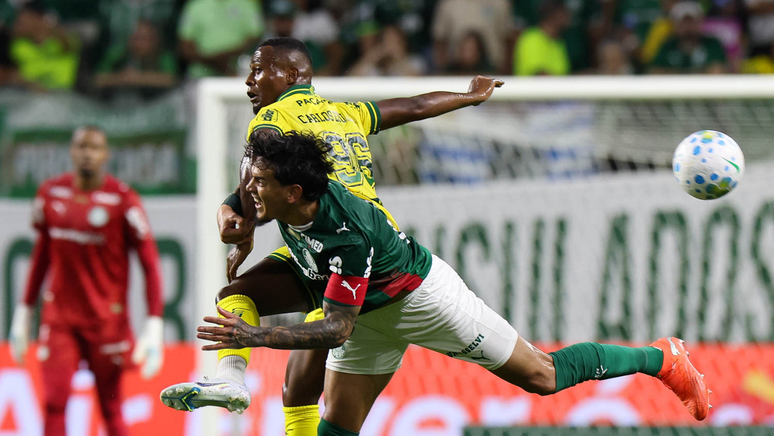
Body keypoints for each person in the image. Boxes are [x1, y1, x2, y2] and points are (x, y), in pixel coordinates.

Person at [197, 131, 711, 436]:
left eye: (259, 185)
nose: (249, 192)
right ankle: (229, 378)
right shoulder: (282, 194)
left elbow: (335, 330)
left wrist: (258, 336)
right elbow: (247, 197)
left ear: (293, 192)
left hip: (421, 299)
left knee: (543, 378)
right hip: (364, 315)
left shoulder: (347, 234)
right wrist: (238, 227)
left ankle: (662, 357)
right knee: (339, 426)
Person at [160, 37, 503, 436]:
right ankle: (230, 382)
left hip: (341, 254)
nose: (249, 81)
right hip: (368, 246)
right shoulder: (344, 112)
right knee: (298, 387)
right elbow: (412, 106)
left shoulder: (270, 121)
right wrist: (467, 96)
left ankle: (231, 378)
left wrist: (236, 223)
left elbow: (252, 193)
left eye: (258, 70)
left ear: (290, 75)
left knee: (243, 301)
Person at [8, 126, 165, 436]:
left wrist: (154, 323)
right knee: (53, 403)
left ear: (105, 155)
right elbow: (42, 255)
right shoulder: (51, 194)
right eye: (81, 147)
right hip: (60, 320)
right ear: (71, 151)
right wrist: (24, 312)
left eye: (94, 148)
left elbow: (150, 264)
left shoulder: (122, 200)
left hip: (106, 321)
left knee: (111, 407)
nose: (87, 154)